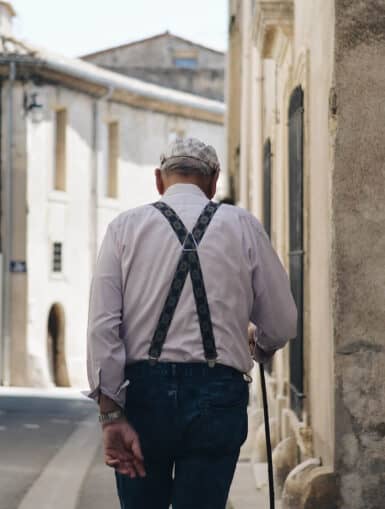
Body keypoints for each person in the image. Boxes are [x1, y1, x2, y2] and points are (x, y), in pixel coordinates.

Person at [86, 137, 297, 509]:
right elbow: (281, 323)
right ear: (214, 181)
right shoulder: (243, 225)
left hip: (143, 395)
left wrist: (111, 413)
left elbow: (103, 327)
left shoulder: (124, 228)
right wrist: (259, 346)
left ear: (158, 179)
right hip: (218, 396)